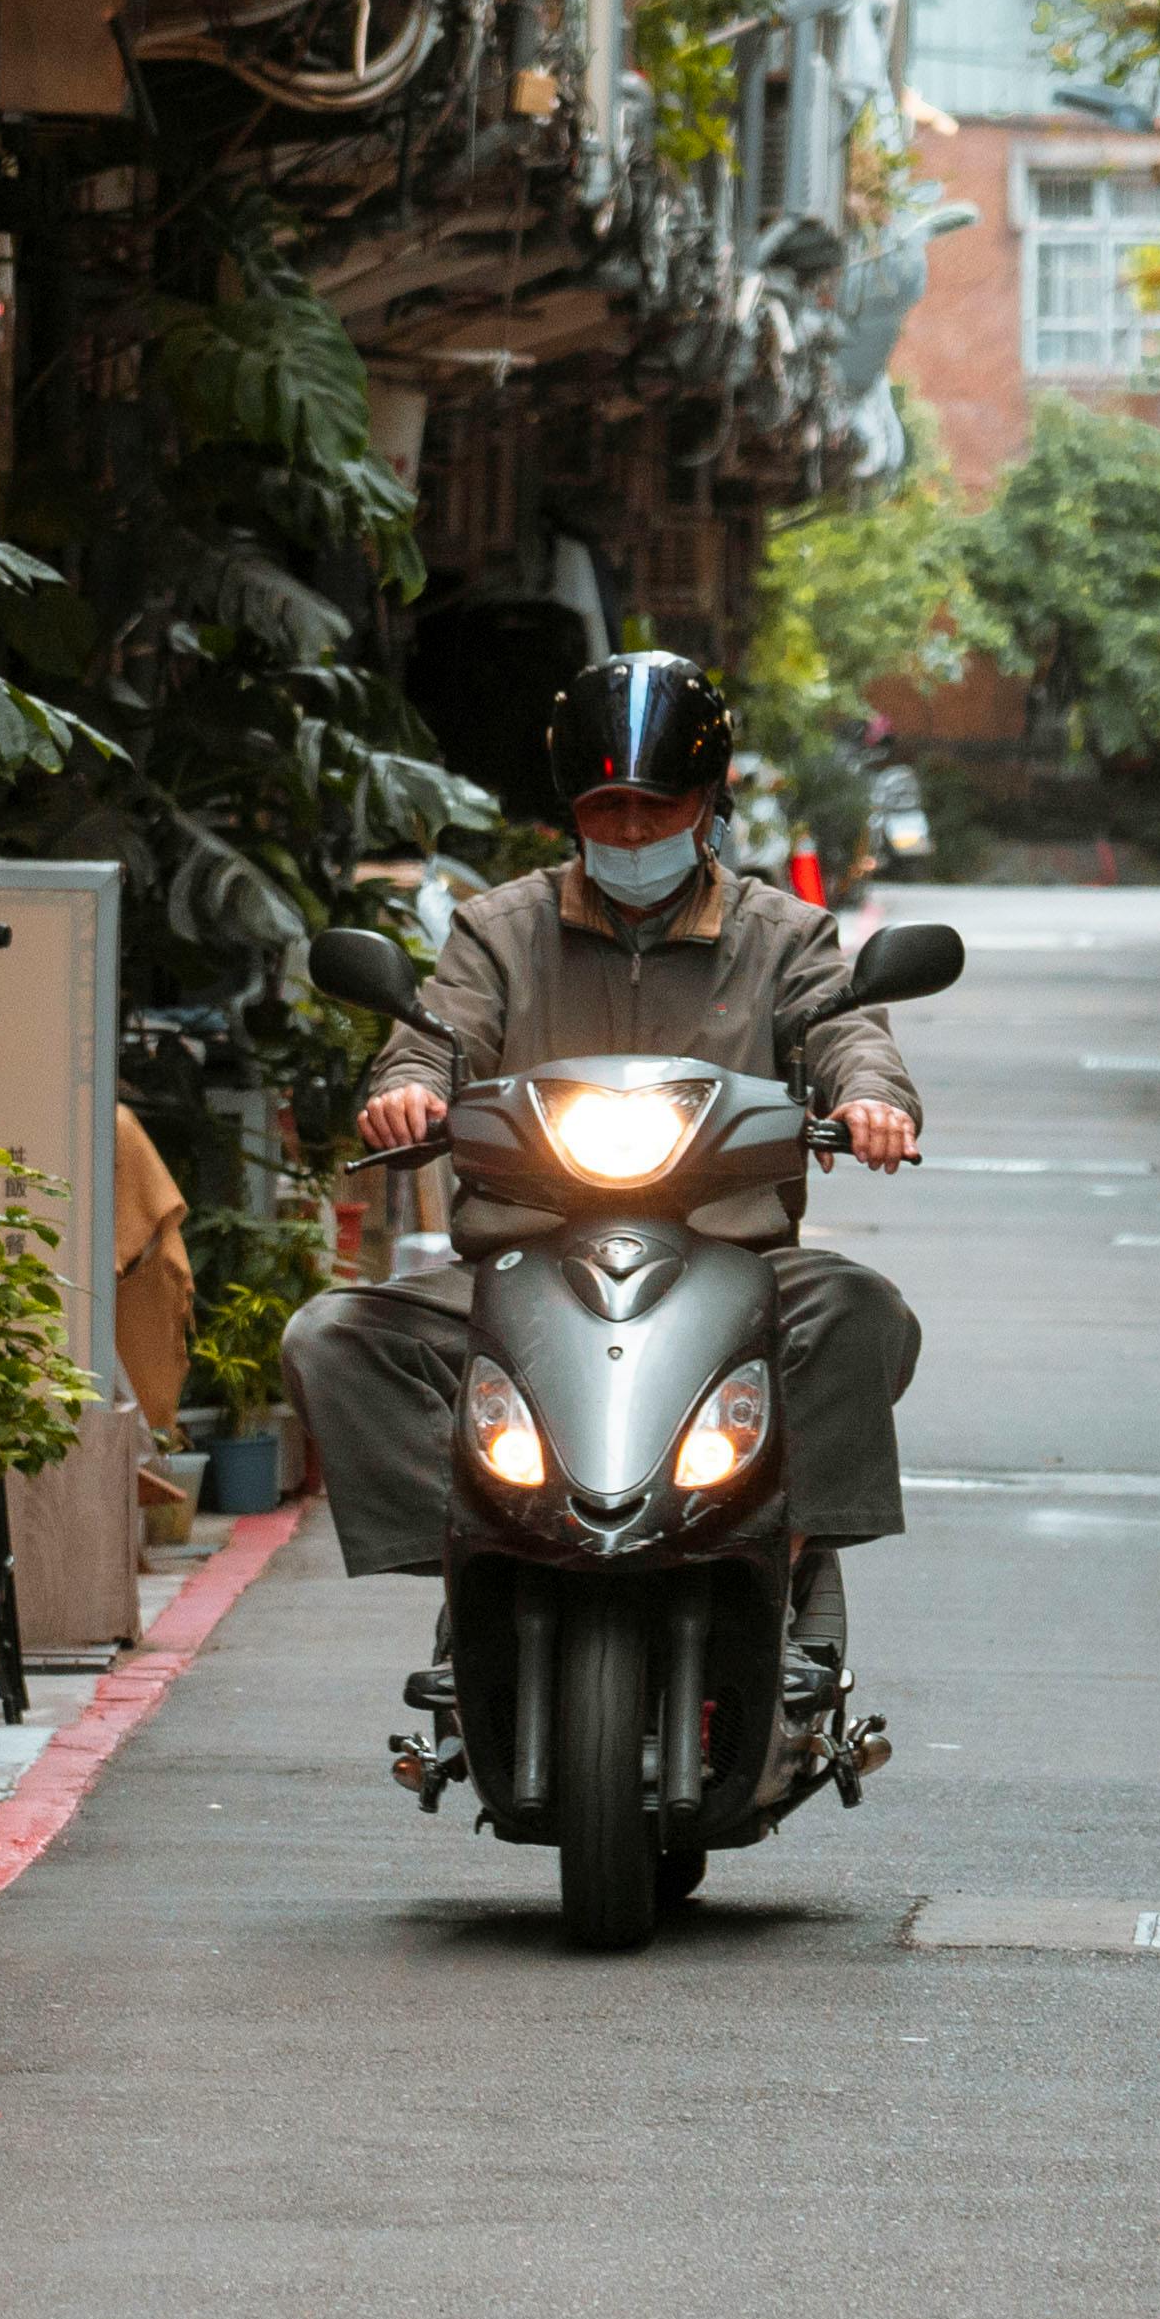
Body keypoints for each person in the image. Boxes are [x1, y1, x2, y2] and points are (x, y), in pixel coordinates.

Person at [276, 649, 925, 1694]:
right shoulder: (497, 929)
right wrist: (407, 1089)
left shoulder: (783, 933)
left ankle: (786, 1566)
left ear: (706, 804)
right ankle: (472, 1564)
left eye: (654, 808)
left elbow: (844, 1028)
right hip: (523, 1261)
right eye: (606, 807)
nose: (629, 833)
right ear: (570, 809)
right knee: (335, 1338)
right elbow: (435, 1037)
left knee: (860, 1312)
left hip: (729, 1257)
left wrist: (871, 1101)